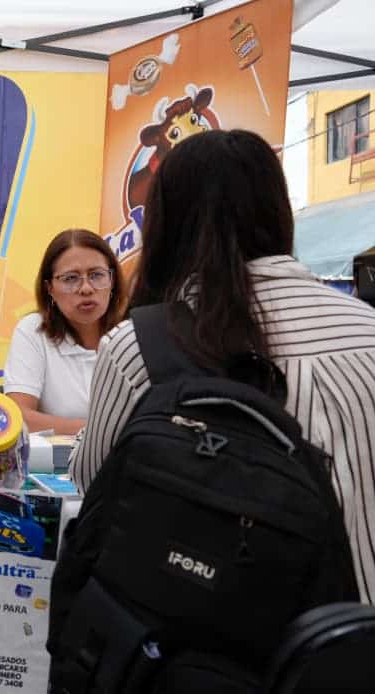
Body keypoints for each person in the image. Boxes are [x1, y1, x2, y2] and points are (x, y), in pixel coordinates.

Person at [69, 128, 375, 603]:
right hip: (354, 628)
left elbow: (94, 481)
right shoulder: (366, 327)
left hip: (223, 624)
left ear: (165, 224)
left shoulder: (139, 346)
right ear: (278, 210)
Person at [2, 229, 126, 434]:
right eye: (70, 279)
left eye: (97, 275)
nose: (86, 288)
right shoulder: (33, 330)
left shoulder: (134, 330)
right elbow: (18, 416)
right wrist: (98, 433)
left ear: (112, 281)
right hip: (61, 455)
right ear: (50, 288)